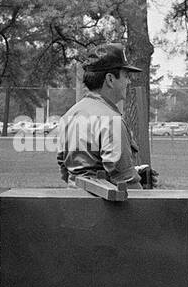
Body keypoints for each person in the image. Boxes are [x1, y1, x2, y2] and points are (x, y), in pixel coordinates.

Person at [56, 43, 155, 188]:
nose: (128, 81)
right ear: (110, 79)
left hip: (73, 203)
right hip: (107, 208)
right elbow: (127, 182)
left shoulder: (68, 116)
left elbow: (66, 173)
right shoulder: (111, 120)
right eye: (126, 76)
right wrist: (147, 197)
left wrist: (135, 171)